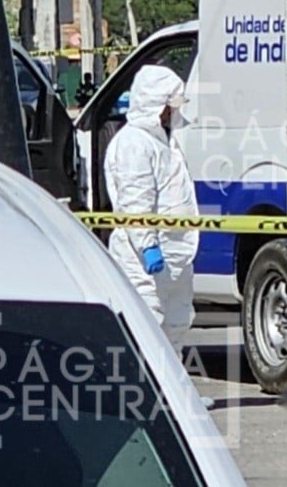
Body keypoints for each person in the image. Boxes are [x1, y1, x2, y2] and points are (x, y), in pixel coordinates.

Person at [104, 64, 199, 358]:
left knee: (177, 322)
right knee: (147, 325)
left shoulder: (162, 142)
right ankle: (146, 395)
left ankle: (175, 393)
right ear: (154, 104)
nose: (172, 112)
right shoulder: (133, 144)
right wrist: (147, 246)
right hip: (142, 258)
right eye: (168, 105)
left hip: (175, 252)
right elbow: (136, 201)